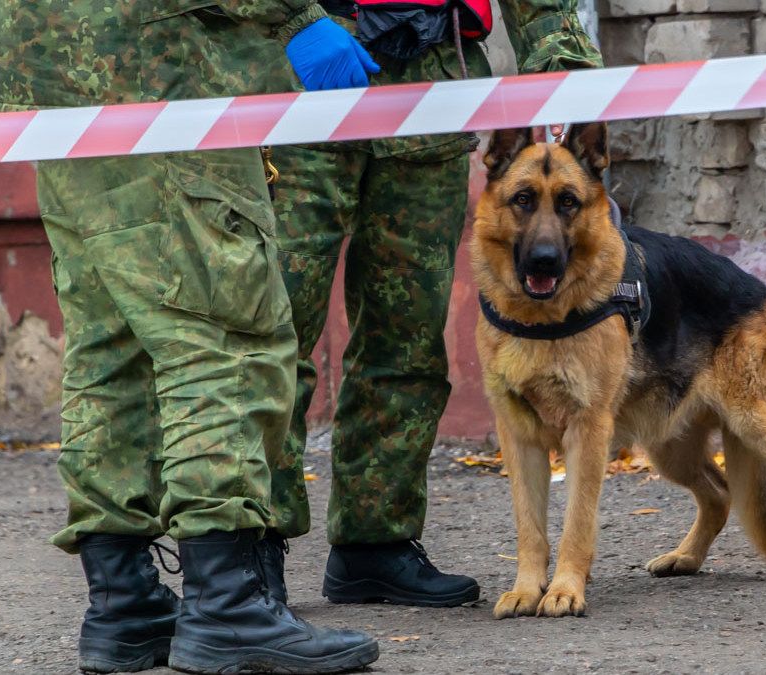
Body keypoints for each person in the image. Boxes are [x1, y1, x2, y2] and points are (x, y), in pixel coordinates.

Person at [0, 2, 383, 673]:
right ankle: (227, 605)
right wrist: (295, 15)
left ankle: (123, 602)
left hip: (47, 62)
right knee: (220, 331)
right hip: (150, 62)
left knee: (111, 340)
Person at [254, 0, 602, 607]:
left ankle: (376, 544)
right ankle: (249, 550)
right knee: (273, 334)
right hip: (301, 81)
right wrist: (293, 21)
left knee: (407, 337)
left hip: (427, 91)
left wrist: (563, 60)